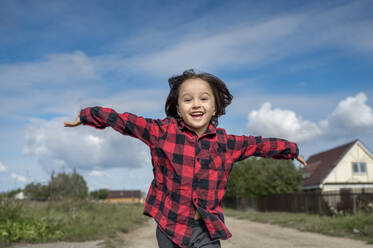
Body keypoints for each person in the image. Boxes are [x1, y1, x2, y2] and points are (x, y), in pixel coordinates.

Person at [64, 69, 307, 248]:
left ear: (215, 107)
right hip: (169, 226)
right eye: (187, 99)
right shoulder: (161, 131)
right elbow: (123, 120)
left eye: (204, 98)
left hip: (206, 230)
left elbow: (259, 145)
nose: (196, 105)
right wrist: (87, 115)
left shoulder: (227, 143)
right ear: (178, 108)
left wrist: (292, 150)